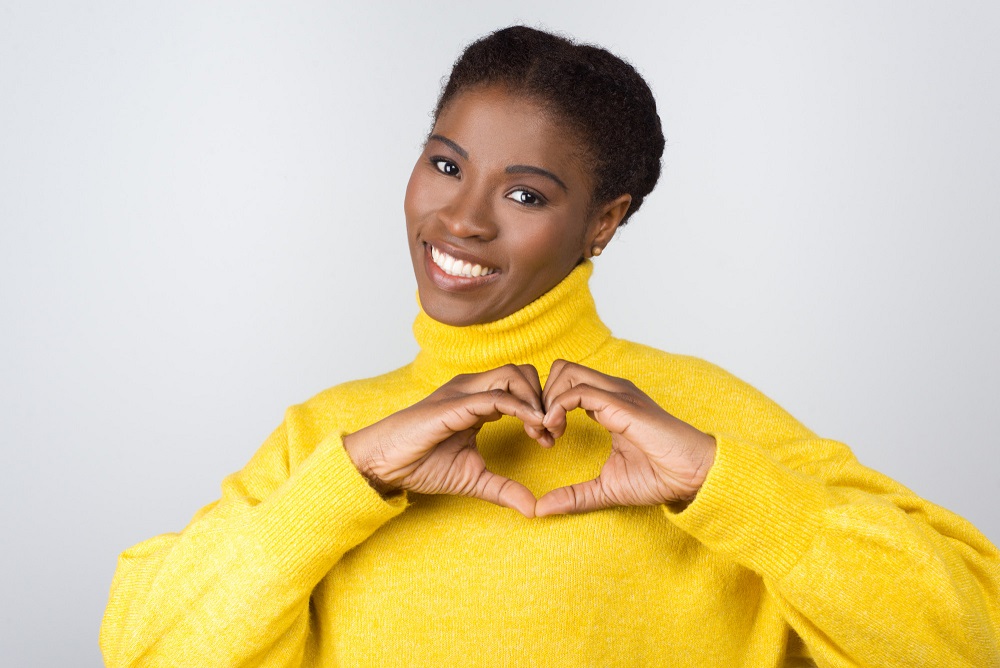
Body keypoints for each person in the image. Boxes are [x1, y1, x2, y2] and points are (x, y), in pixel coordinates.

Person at [100, 26, 1000, 667]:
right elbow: (142, 650)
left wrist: (721, 486)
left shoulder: (704, 420)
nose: (461, 218)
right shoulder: (331, 438)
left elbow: (973, 637)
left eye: (524, 194)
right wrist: (351, 481)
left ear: (603, 222)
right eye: (445, 164)